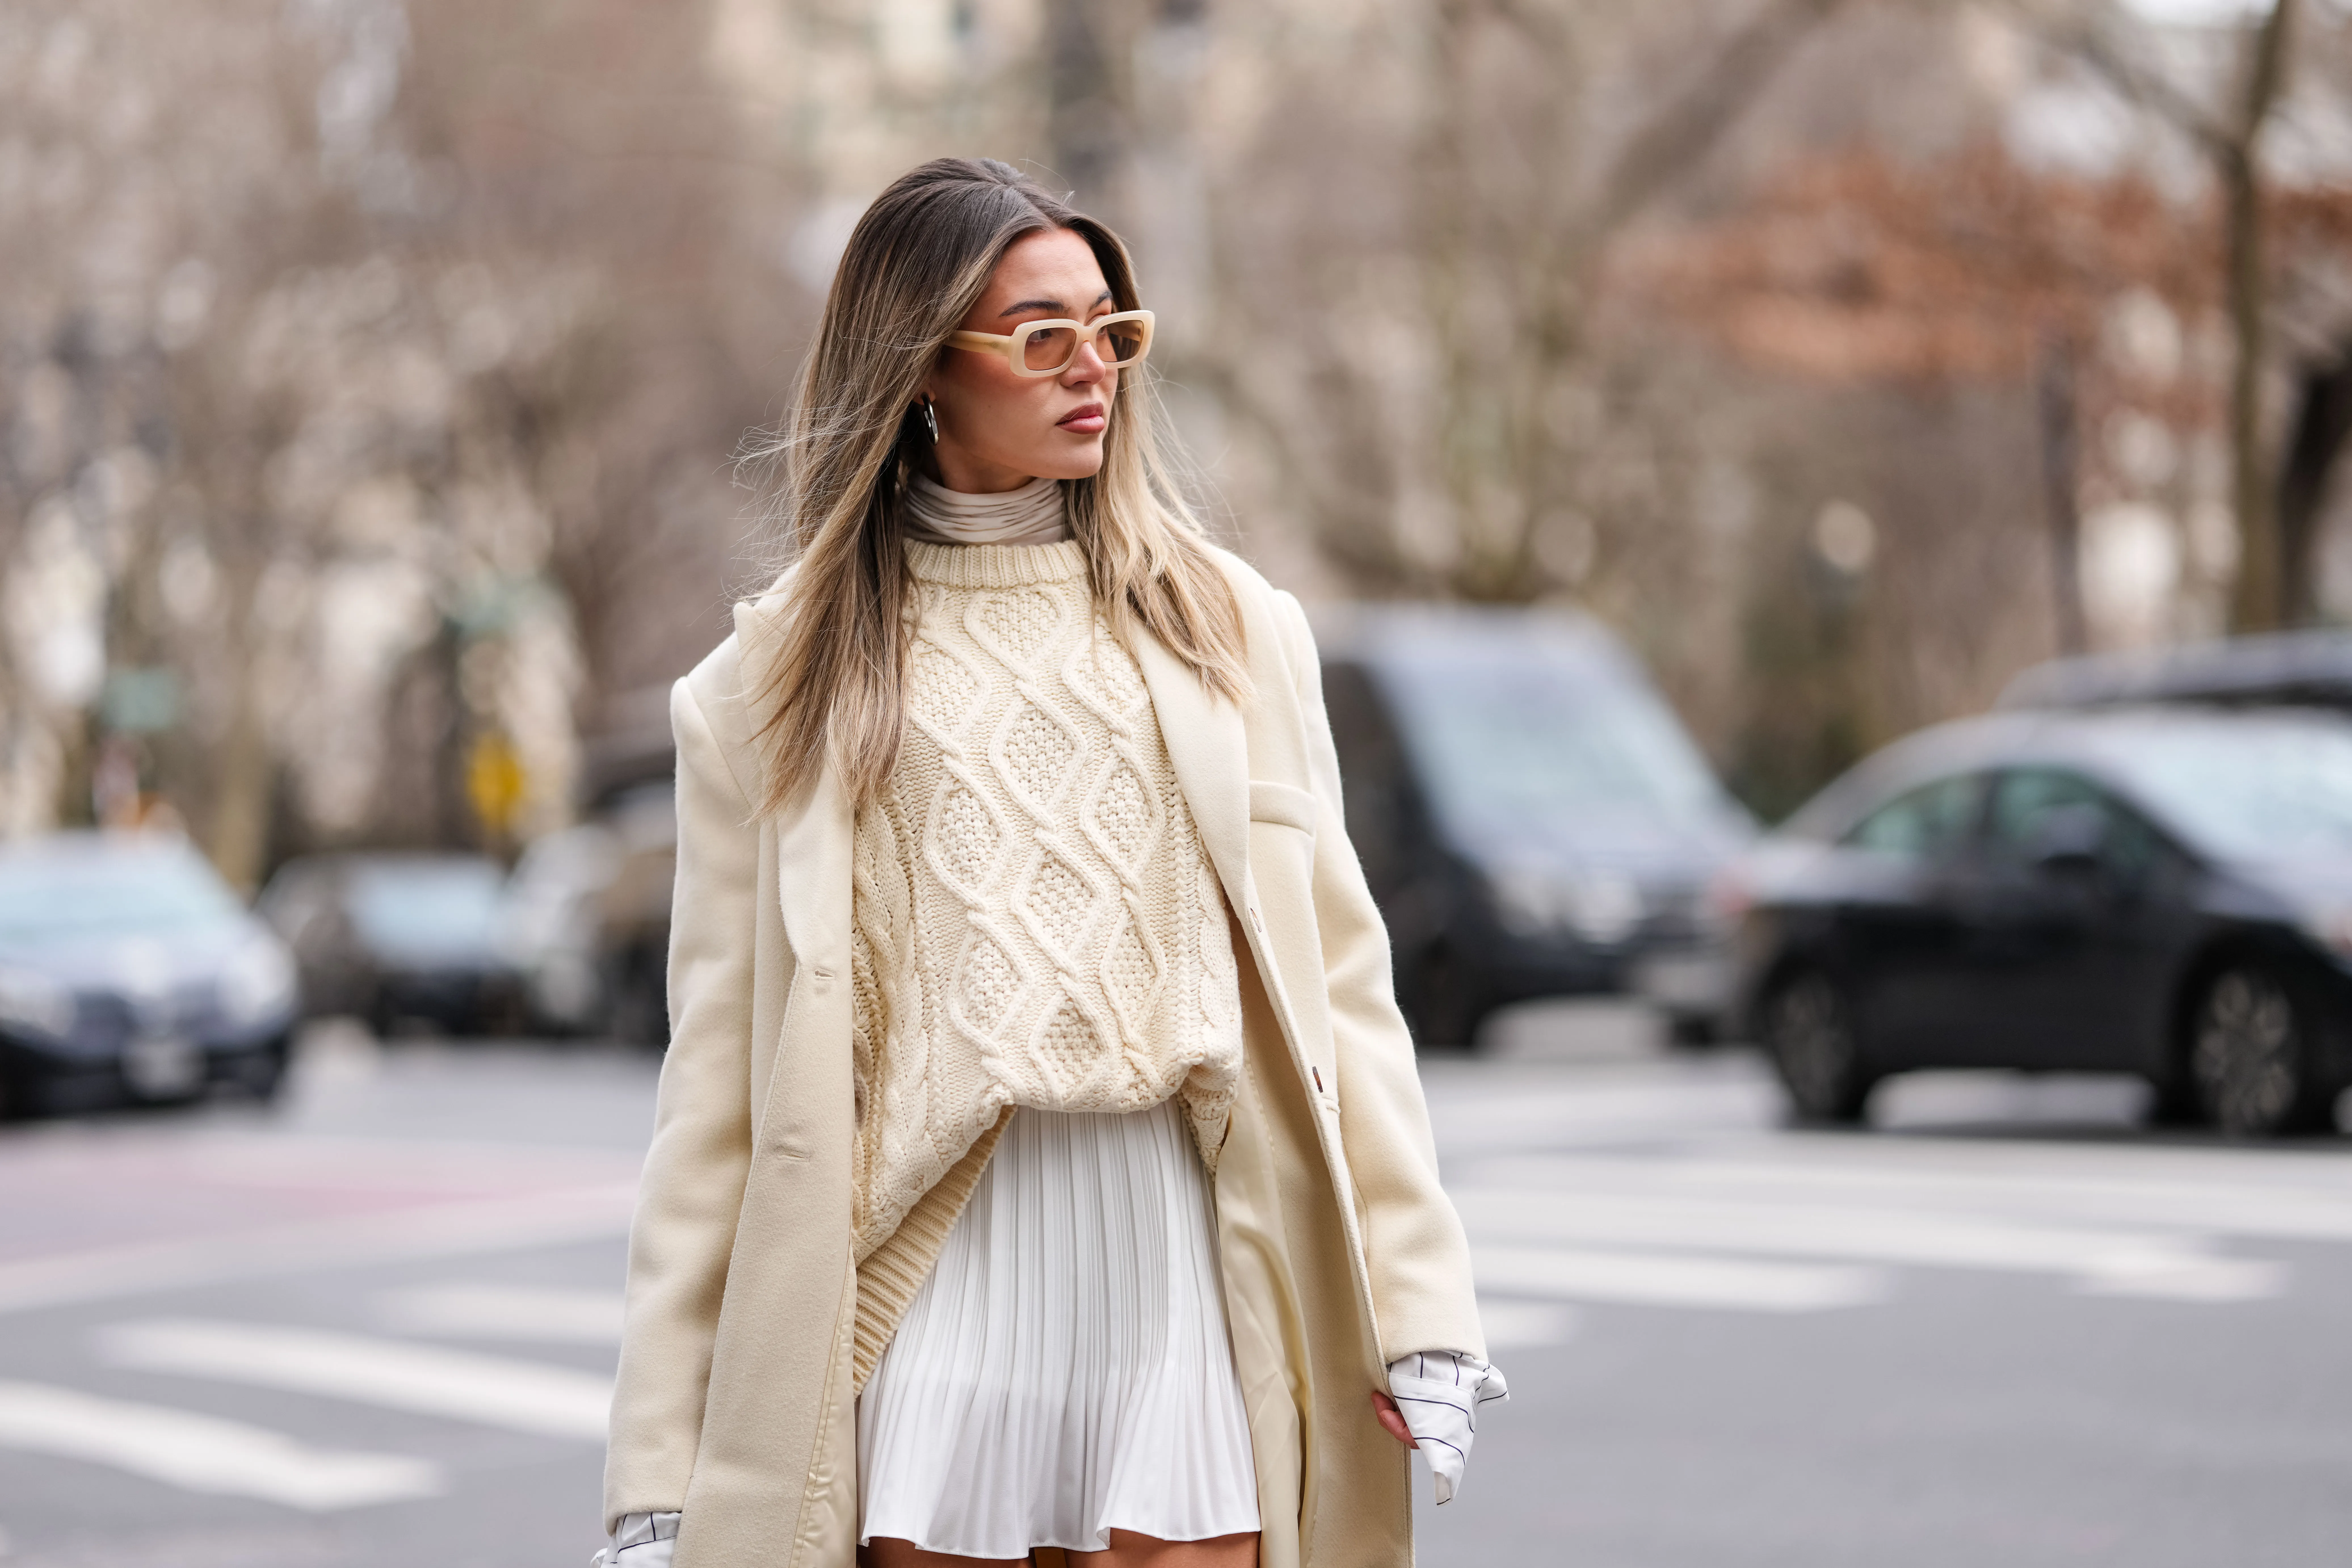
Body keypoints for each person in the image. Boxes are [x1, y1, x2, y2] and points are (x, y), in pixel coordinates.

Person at [595, 156, 1505, 1568]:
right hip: (932, 1300)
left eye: (1110, 329)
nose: (1094, 369)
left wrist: (1420, 1305)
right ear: (922, 368)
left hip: (1185, 1283)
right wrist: (661, 1468)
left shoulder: (1232, 632)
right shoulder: (768, 688)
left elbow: (1343, 995)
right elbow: (714, 1097)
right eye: (1041, 336)